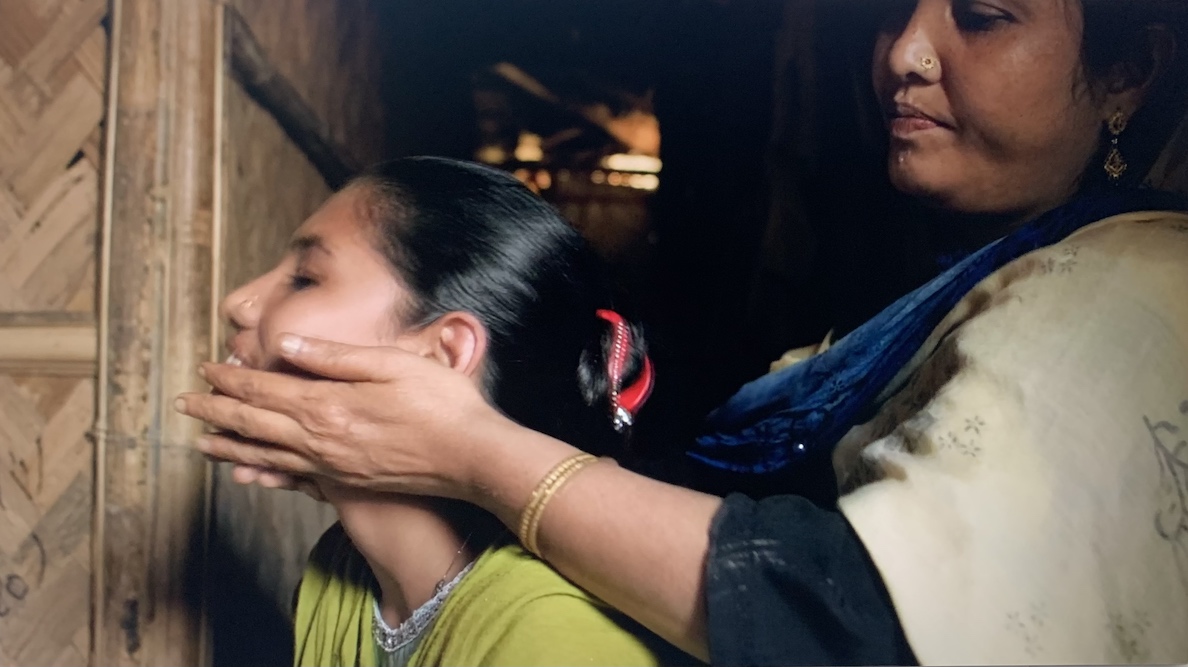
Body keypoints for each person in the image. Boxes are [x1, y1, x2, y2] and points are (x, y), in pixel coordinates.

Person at [177, 1, 1188, 664]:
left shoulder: (1135, 296)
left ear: (1127, 71)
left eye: (983, 15)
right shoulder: (343, 584)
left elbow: (846, 618)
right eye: (896, 12)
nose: (905, 55)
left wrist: (471, 451)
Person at [211, 156, 684, 666]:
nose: (238, 303)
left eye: (305, 278)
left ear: (444, 355)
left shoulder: (554, 639)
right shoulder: (341, 571)